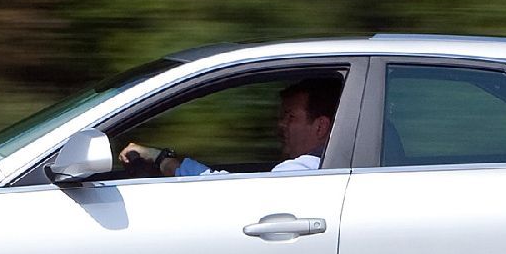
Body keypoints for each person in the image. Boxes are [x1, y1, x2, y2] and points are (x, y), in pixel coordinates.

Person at [118, 75, 342, 178]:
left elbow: (228, 193)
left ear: (321, 127)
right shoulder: (326, 168)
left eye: (290, 117)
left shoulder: (301, 173)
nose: (280, 124)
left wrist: (160, 158)